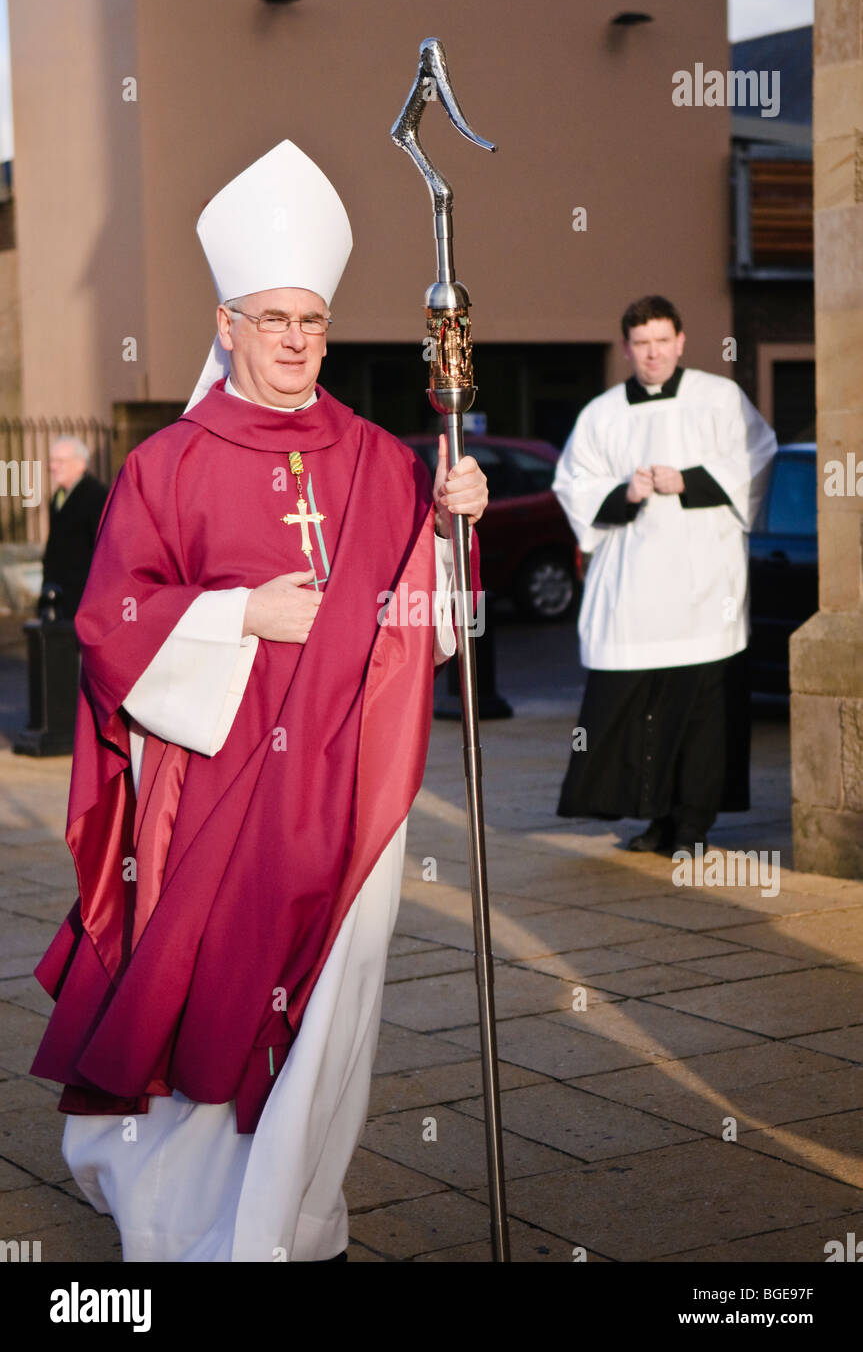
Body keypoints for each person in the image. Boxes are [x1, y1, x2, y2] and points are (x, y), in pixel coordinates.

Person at [29, 140, 487, 1262]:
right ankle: (191, 1220)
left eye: (311, 321)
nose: (294, 341)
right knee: (208, 1001)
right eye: (271, 318)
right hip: (213, 797)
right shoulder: (167, 466)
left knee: (331, 1015)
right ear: (225, 322)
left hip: (352, 796)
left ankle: (293, 1214)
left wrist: (452, 529)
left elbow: (439, 631)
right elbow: (105, 626)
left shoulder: (384, 460)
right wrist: (233, 616)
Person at [552, 295, 776, 854]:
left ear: (680, 341)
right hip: (634, 599)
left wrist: (693, 480)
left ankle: (694, 826)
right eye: (641, 344)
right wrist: (622, 491)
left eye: (662, 341)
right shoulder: (601, 414)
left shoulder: (720, 399)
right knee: (642, 718)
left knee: (701, 720)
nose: (653, 354)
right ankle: (654, 821)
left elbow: (759, 456)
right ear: (627, 349)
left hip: (706, 594)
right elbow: (572, 482)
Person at [42, 437, 109, 618]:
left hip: (82, 595)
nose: (53, 466)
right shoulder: (59, 496)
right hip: (59, 594)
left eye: (60, 461)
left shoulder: (96, 495)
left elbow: (103, 546)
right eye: (52, 461)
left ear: (80, 464)